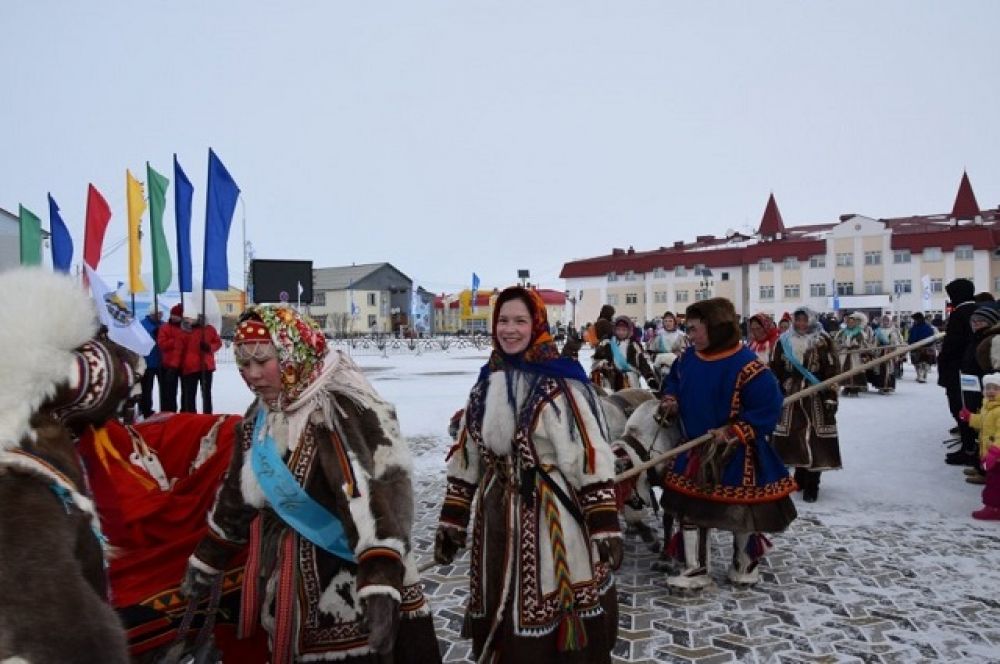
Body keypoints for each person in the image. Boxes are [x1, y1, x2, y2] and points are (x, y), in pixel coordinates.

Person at [180, 305, 440, 663]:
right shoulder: (262, 416)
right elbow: (236, 494)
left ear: (292, 354)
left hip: (347, 589)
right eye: (243, 364)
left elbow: (381, 495)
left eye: (262, 361)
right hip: (286, 586)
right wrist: (208, 558)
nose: (251, 375)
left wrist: (380, 582)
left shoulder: (343, 410)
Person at [435, 286, 622, 663]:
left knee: (547, 608)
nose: (510, 329)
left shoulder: (562, 382)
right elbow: (468, 454)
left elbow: (588, 452)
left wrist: (604, 524)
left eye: (520, 320)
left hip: (550, 515)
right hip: (496, 519)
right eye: (503, 320)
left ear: (536, 324)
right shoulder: (487, 382)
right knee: (499, 601)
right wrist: (453, 518)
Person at [657, 298, 796, 590]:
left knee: (741, 513)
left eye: (694, 329)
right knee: (689, 510)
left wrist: (735, 431)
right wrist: (670, 399)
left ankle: (744, 562)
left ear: (716, 328)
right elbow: (673, 383)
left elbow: (769, 408)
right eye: (688, 329)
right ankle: (695, 567)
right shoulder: (687, 359)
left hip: (737, 452)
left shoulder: (747, 365)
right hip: (694, 447)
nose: (690, 336)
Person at [770, 307, 841, 503]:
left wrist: (830, 396)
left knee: (815, 438)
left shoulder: (822, 340)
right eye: (798, 320)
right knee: (794, 437)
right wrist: (776, 391)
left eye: (804, 320)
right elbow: (774, 368)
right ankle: (799, 476)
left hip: (816, 394)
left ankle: (813, 482)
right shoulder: (783, 341)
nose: (801, 324)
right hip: (790, 395)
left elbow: (832, 369)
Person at [938, 279, 978, 462]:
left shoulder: (960, 314)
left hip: (959, 371)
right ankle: (972, 446)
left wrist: (943, 362)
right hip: (973, 370)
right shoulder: (977, 310)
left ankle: (969, 449)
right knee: (972, 406)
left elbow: (952, 345)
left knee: (960, 407)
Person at [960, 373, 1000, 520]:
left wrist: (996, 451)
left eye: (995, 388)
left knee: (994, 484)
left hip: (997, 455)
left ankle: (994, 508)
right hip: (990, 454)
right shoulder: (987, 407)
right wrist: (970, 417)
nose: (990, 391)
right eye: (988, 388)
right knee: (993, 481)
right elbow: (982, 422)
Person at [592, 315, 659, 391]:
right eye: (618, 329)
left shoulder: (634, 345)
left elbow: (643, 364)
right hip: (611, 380)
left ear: (629, 331)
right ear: (614, 330)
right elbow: (596, 360)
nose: (621, 332)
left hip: (630, 381)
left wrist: (650, 379)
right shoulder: (607, 343)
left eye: (624, 330)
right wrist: (603, 364)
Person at [180, 314, 222, 414]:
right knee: (190, 394)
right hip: (190, 366)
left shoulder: (209, 329)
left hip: (206, 366)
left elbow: (218, 343)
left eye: (191, 317)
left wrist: (209, 347)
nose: (189, 319)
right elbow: (180, 347)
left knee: (206, 393)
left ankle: (207, 414)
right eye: (187, 318)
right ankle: (191, 415)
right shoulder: (185, 330)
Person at [834, 312, 873, 396]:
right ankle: (846, 387)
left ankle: (855, 388)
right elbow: (837, 341)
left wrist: (857, 346)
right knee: (844, 370)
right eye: (849, 322)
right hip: (845, 354)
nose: (850, 324)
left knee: (855, 370)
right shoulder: (842, 332)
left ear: (855, 323)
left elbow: (863, 343)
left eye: (852, 322)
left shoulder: (860, 332)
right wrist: (841, 346)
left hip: (855, 354)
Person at [157, 304, 186, 413]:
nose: (174, 317)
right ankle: (169, 412)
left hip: (184, 364)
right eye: (172, 315)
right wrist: (176, 341)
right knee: (169, 392)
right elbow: (162, 344)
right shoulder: (165, 328)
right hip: (168, 365)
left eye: (176, 315)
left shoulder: (186, 328)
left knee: (186, 392)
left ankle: (185, 412)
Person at [138, 308, 163, 418]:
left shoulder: (163, 325)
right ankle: (145, 410)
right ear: (151, 313)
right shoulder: (142, 324)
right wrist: (153, 332)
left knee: (165, 389)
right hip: (147, 361)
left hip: (161, 362)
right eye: (157, 313)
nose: (159, 315)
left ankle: (165, 409)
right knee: (146, 389)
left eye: (161, 313)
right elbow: (140, 340)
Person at [870, 314, 903, 394]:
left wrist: (894, 348)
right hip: (880, 352)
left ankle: (889, 386)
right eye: (884, 320)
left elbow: (898, 341)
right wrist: (875, 350)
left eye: (887, 320)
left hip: (890, 352)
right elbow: (874, 342)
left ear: (890, 321)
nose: (885, 322)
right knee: (881, 370)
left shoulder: (894, 330)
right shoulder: (878, 330)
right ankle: (881, 386)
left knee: (890, 370)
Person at [907, 312, 937, 383]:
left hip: (917, 347)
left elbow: (912, 337)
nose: (914, 321)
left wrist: (910, 343)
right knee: (925, 362)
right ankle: (924, 375)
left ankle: (920, 376)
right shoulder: (928, 327)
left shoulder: (915, 328)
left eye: (915, 319)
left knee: (918, 363)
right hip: (927, 348)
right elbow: (932, 337)